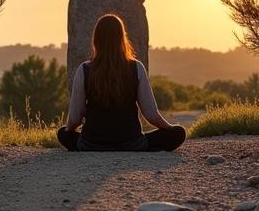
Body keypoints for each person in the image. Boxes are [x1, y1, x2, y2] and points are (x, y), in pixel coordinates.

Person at [57, 14, 186, 152]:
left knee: (62, 133)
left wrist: (67, 131)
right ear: (122, 38)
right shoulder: (136, 68)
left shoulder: (84, 70)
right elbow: (151, 114)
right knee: (178, 133)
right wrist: (170, 129)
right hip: (132, 144)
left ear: (96, 40)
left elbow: (75, 118)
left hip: (91, 145)